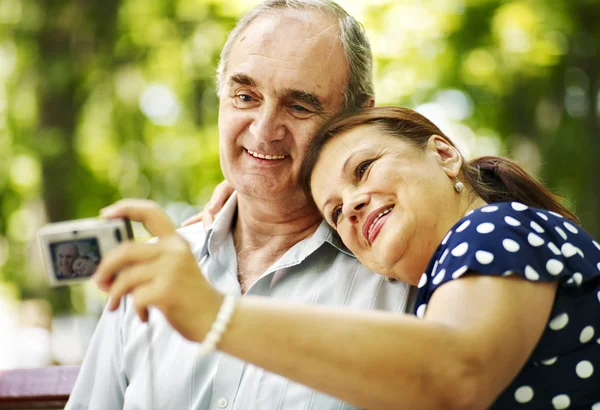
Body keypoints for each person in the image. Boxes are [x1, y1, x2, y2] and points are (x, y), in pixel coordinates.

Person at [93, 106, 600, 410]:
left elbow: (455, 373)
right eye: (334, 213)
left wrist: (213, 314)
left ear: (444, 155)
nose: (352, 206)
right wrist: (251, 200)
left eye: (364, 169)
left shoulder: (494, 227)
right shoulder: (439, 283)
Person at [66, 0, 410, 410]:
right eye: (245, 96)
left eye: (299, 105)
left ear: (356, 121)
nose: (264, 131)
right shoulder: (150, 273)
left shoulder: (398, 276)